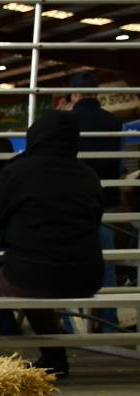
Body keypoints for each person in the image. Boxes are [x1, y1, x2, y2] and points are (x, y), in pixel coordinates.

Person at [0, 110, 105, 377]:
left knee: (5, 288)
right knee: (30, 286)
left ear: (36, 136)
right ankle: (54, 359)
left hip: (31, 272)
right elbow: (96, 218)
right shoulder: (88, 174)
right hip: (87, 273)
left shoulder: (19, 170)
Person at [59, 71, 125, 330]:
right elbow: (118, 163)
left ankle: (72, 325)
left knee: (68, 262)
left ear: (74, 95)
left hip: (72, 202)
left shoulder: (67, 121)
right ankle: (109, 322)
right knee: (105, 262)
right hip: (106, 199)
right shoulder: (113, 122)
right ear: (96, 93)